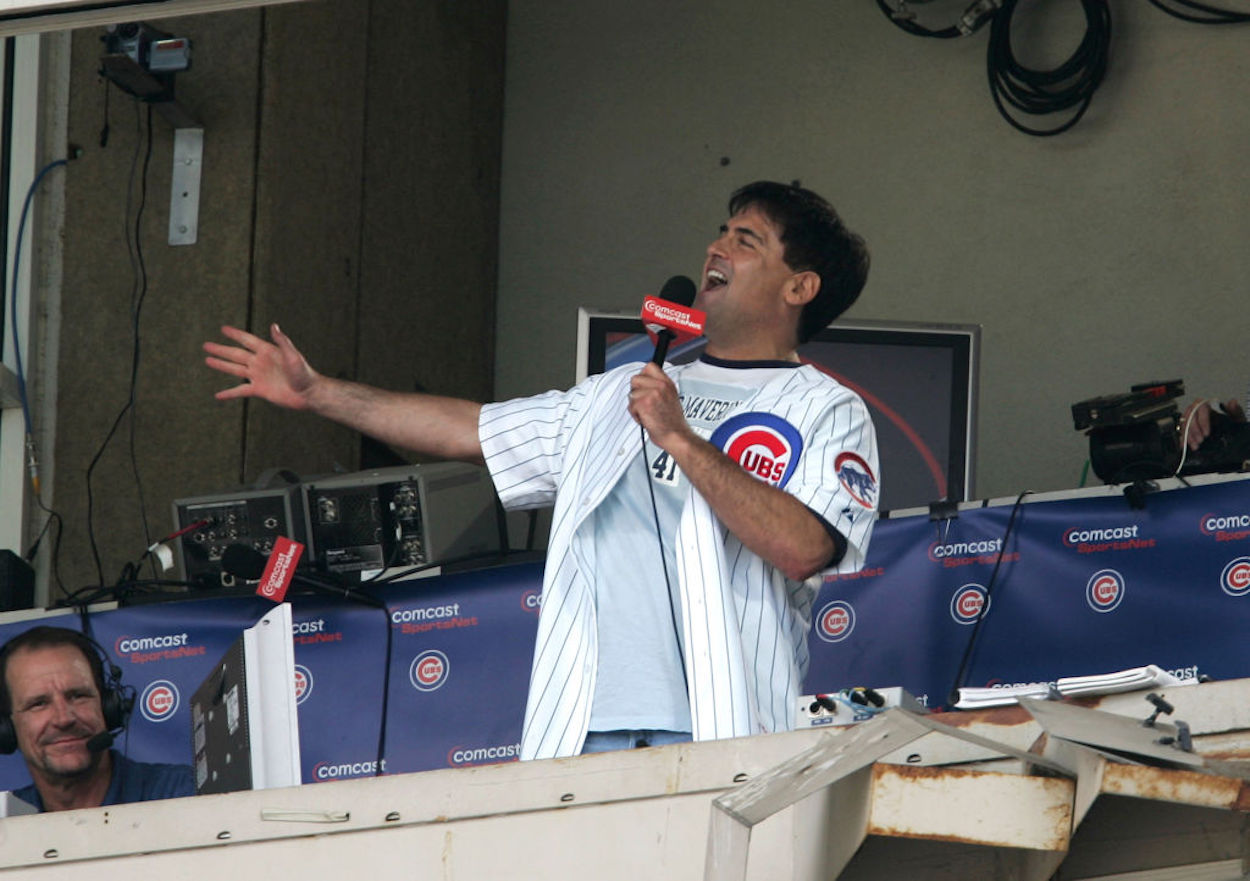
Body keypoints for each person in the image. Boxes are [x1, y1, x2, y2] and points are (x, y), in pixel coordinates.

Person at [204, 180, 878, 759]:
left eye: (746, 239)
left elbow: (804, 546)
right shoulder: (620, 391)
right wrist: (319, 392)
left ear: (801, 286)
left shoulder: (826, 407)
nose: (715, 248)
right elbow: (473, 429)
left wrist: (679, 437)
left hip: (723, 731)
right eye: (720, 232)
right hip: (580, 731)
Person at [0, 626, 195, 812]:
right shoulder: (5, 825)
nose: (63, 719)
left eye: (78, 695)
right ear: (7, 727)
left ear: (107, 706)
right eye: (39, 704)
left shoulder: (183, 795)